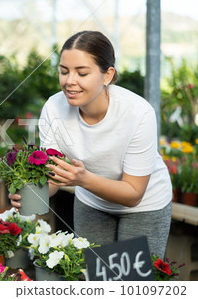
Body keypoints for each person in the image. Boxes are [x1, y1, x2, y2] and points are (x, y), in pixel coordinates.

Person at [10, 31, 172, 258]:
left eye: (82, 73)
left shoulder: (138, 112)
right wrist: (33, 193)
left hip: (144, 206)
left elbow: (134, 193)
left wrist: (83, 179)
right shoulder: (54, 108)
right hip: (92, 201)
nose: (69, 81)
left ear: (107, 75)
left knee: (132, 284)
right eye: (64, 71)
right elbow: (53, 175)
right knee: (94, 275)